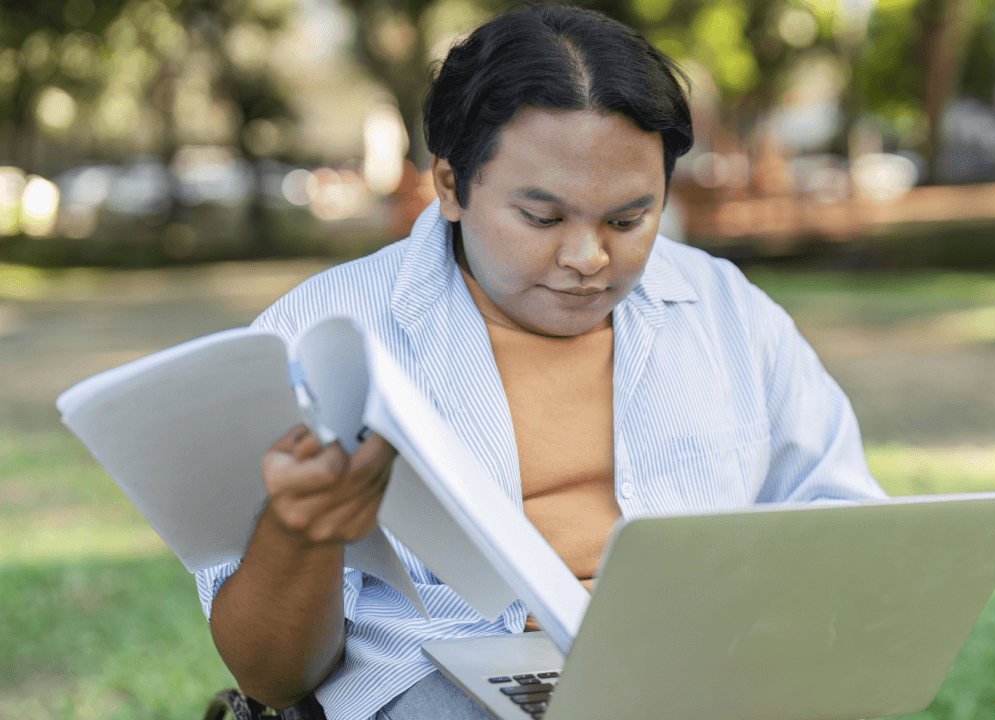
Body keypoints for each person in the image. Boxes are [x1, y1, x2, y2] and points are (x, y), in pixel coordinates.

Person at [194, 5, 886, 719]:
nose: (587, 260)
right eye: (543, 218)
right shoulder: (313, 338)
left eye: (627, 220)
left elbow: (847, 531)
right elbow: (271, 678)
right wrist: (301, 532)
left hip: (692, 670)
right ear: (450, 185)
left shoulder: (729, 314)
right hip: (442, 684)